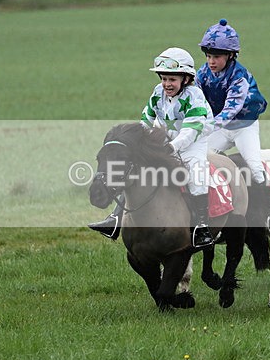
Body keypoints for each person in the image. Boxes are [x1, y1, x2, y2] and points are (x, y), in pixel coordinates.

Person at [88, 47, 215, 247]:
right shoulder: (158, 92)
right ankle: (115, 219)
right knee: (133, 170)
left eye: (172, 79)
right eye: (164, 78)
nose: (166, 84)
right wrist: (137, 144)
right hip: (165, 139)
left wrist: (172, 147)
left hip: (193, 142)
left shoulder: (194, 96)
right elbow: (145, 121)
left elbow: (190, 130)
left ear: (186, 79)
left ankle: (201, 226)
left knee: (197, 174)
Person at [196, 19, 270, 236]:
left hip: (243, 126)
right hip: (220, 126)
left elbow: (231, 109)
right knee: (203, 159)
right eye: (208, 56)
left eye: (216, 56)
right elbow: (198, 101)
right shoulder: (202, 74)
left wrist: (207, 127)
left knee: (255, 166)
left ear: (230, 56)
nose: (211, 61)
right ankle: (210, 209)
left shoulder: (239, 77)